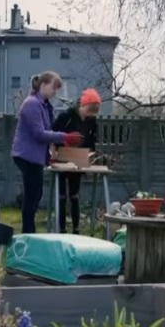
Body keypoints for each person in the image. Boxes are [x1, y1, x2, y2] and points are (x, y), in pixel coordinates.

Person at [11, 71, 83, 234]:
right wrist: (64, 137)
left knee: (36, 193)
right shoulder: (32, 104)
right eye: (53, 88)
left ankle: (29, 232)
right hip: (26, 155)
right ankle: (28, 233)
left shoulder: (43, 105)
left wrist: (50, 154)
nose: (55, 92)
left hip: (33, 156)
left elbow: (47, 131)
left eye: (57, 89)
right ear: (43, 85)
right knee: (32, 195)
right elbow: (40, 133)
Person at [51, 89, 101, 234]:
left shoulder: (92, 122)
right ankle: (60, 229)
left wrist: (89, 156)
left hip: (78, 160)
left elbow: (92, 142)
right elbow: (52, 134)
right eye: (89, 111)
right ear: (83, 106)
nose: (91, 115)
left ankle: (76, 229)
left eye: (94, 113)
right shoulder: (66, 116)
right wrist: (57, 149)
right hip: (62, 157)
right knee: (61, 196)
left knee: (74, 195)